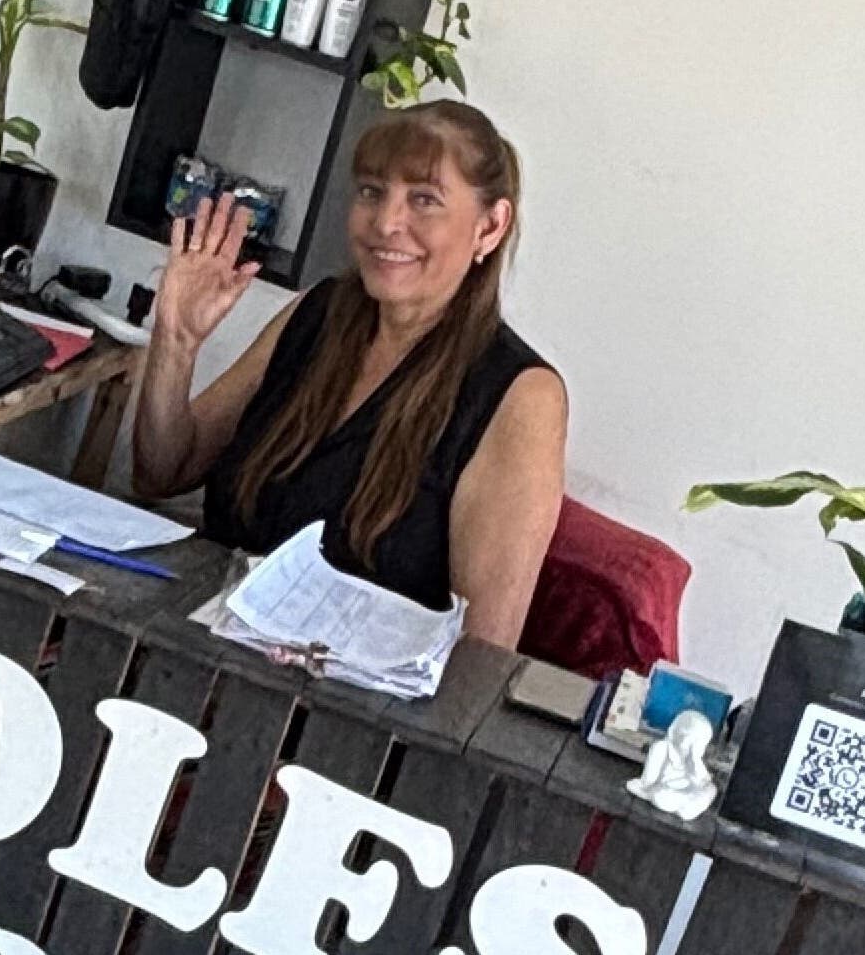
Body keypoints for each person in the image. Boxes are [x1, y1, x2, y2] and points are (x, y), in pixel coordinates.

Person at [132, 102, 568, 649]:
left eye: (424, 199)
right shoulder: (317, 312)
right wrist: (175, 342)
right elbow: (163, 471)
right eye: (371, 191)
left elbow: (480, 655)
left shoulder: (522, 396)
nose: (386, 222)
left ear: (491, 226)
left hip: (334, 699)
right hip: (195, 649)